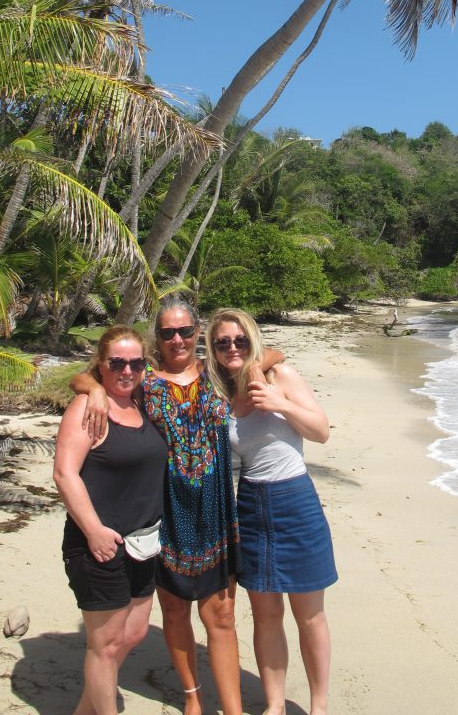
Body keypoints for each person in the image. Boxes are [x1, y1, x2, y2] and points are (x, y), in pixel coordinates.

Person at [71, 295, 282, 715]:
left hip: (216, 510)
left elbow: (270, 351)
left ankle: (234, 710)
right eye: (167, 332)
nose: (177, 339)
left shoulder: (219, 372)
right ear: (157, 337)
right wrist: (94, 388)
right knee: (173, 610)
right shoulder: (143, 377)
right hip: (165, 511)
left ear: (197, 332)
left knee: (221, 616)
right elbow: (83, 376)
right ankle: (193, 697)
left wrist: (258, 364)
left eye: (185, 330)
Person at [206, 308, 337, 715]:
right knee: (265, 614)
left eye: (240, 340)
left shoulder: (281, 376)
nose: (232, 347)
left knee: (309, 614)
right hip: (250, 503)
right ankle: (275, 705)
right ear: (212, 348)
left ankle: (318, 706)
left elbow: (321, 431)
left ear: (252, 340)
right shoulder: (219, 392)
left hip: (295, 499)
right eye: (223, 341)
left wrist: (283, 405)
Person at [53, 326, 167, 715]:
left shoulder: (141, 402)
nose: (126, 370)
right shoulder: (88, 407)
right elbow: (65, 475)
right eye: (117, 362)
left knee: (132, 633)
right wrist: (94, 530)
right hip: (98, 544)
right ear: (101, 364)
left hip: (143, 542)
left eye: (135, 362)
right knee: (104, 645)